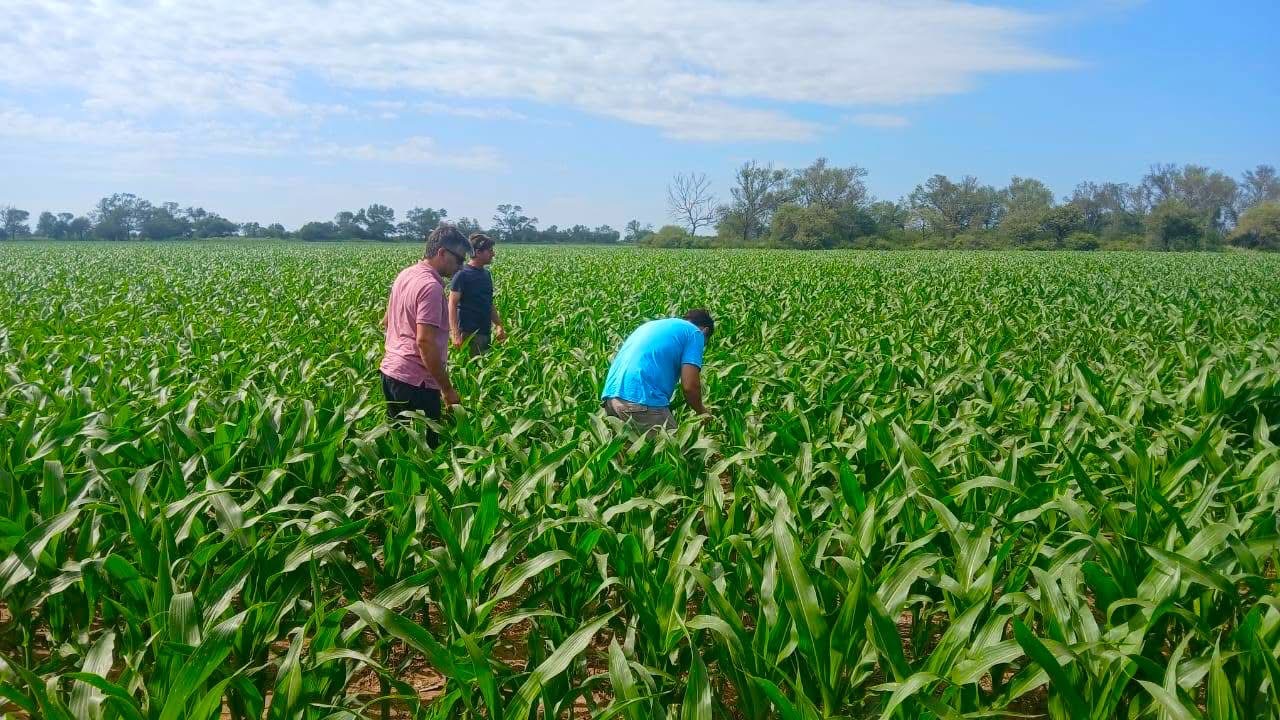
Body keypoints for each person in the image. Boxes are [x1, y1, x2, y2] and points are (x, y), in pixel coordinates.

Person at [379, 224, 471, 444]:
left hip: (391, 373)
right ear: (442, 253)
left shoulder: (406, 274)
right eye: (459, 259)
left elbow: (385, 321)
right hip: (416, 382)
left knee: (400, 444)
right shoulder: (431, 286)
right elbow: (425, 342)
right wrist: (447, 390)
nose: (461, 267)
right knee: (426, 452)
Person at [601, 309, 714, 431]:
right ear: (705, 330)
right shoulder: (695, 333)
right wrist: (701, 411)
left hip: (611, 398)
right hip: (641, 399)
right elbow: (690, 386)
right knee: (677, 448)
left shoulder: (654, 325)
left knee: (630, 449)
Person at [448, 233, 507, 355]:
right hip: (468, 334)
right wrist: (455, 334)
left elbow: (488, 303)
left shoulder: (486, 275)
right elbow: (452, 304)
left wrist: (498, 325)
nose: (493, 254)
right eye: (490, 251)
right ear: (478, 252)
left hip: (485, 332)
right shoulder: (462, 274)